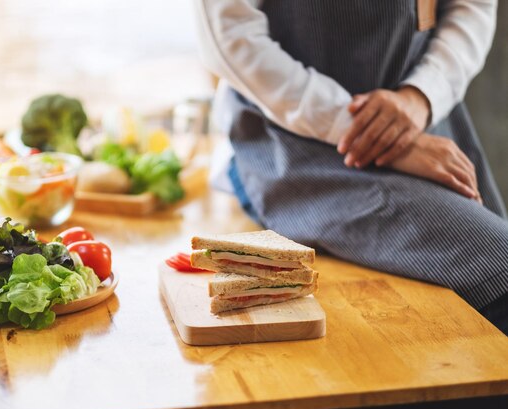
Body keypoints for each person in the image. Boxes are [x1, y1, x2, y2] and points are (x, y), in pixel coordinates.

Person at [193, 0, 508, 334]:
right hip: (294, 146)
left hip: (428, 121)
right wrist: (364, 130)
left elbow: (472, 6)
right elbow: (230, 36)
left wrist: (420, 96)